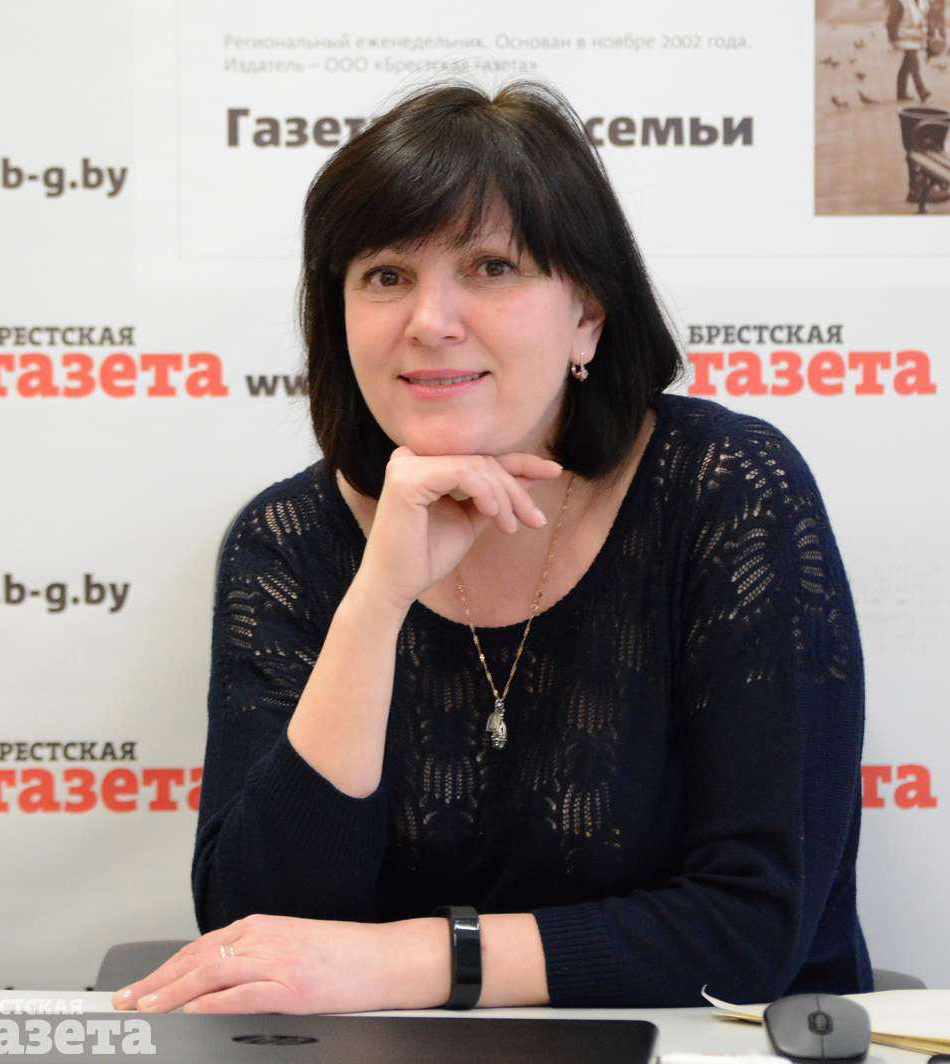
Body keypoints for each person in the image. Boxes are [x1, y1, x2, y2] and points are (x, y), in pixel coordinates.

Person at [112, 79, 873, 1015]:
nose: (430, 320)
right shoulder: (286, 541)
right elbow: (257, 930)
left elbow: (752, 929)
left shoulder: (728, 489)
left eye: (491, 267)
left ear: (587, 314)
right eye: (385, 276)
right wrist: (377, 599)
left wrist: (414, 961)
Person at [887, 0, 933, 101]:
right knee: (914, 63)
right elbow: (891, 20)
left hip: (916, 38)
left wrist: (931, 34)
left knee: (906, 65)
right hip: (903, 37)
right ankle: (921, 90)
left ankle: (901, 93)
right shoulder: (901, 2)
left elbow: (927, 18)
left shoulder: (924, 2)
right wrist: (892, 37)